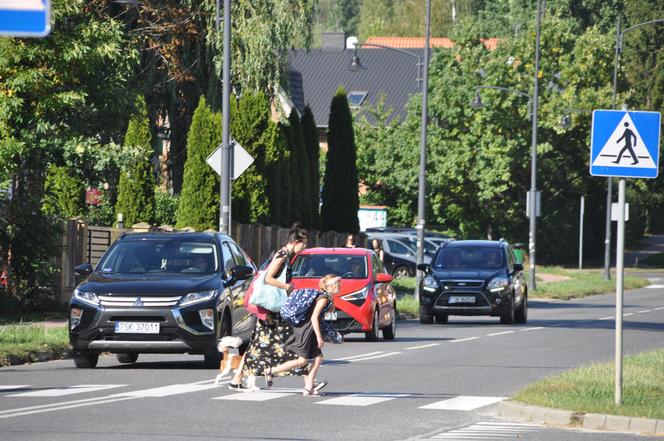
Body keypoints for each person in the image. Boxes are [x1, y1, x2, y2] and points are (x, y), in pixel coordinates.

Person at [228, 223, 310, 391]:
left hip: (273, 312)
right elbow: (268, 279)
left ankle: (237, 378)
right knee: (292, 342)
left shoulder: (285, 255)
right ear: (296, 242)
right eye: (304, 243)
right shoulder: (282, 255)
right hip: (273, 311)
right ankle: (309, 382)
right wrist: (286, 287)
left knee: (259, 345)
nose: (304, 247)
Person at [264, 274, 339, 396]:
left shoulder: (325, 296)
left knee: (312, 359)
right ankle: (306, 385)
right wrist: (319, 337)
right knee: (304, 360)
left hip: (308, 330)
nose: (340, 286)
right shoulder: (323, 298)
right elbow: (314, 317)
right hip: (308, 331)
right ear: (331, 285)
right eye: (338, 284)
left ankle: (307, 385)